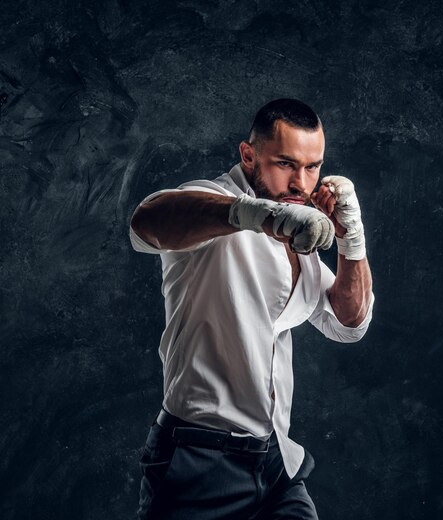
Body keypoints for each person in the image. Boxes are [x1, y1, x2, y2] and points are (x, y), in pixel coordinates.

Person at [129, 98, 374, 519]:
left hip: (275, 463)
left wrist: (352, 240)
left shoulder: (301, 228)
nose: (301, 182)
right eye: (286, 164)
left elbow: (349, 321)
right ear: (249, 155)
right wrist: (256, 214)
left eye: (313, 167)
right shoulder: (213, 202)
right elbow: (147, 222)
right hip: (199, 460)